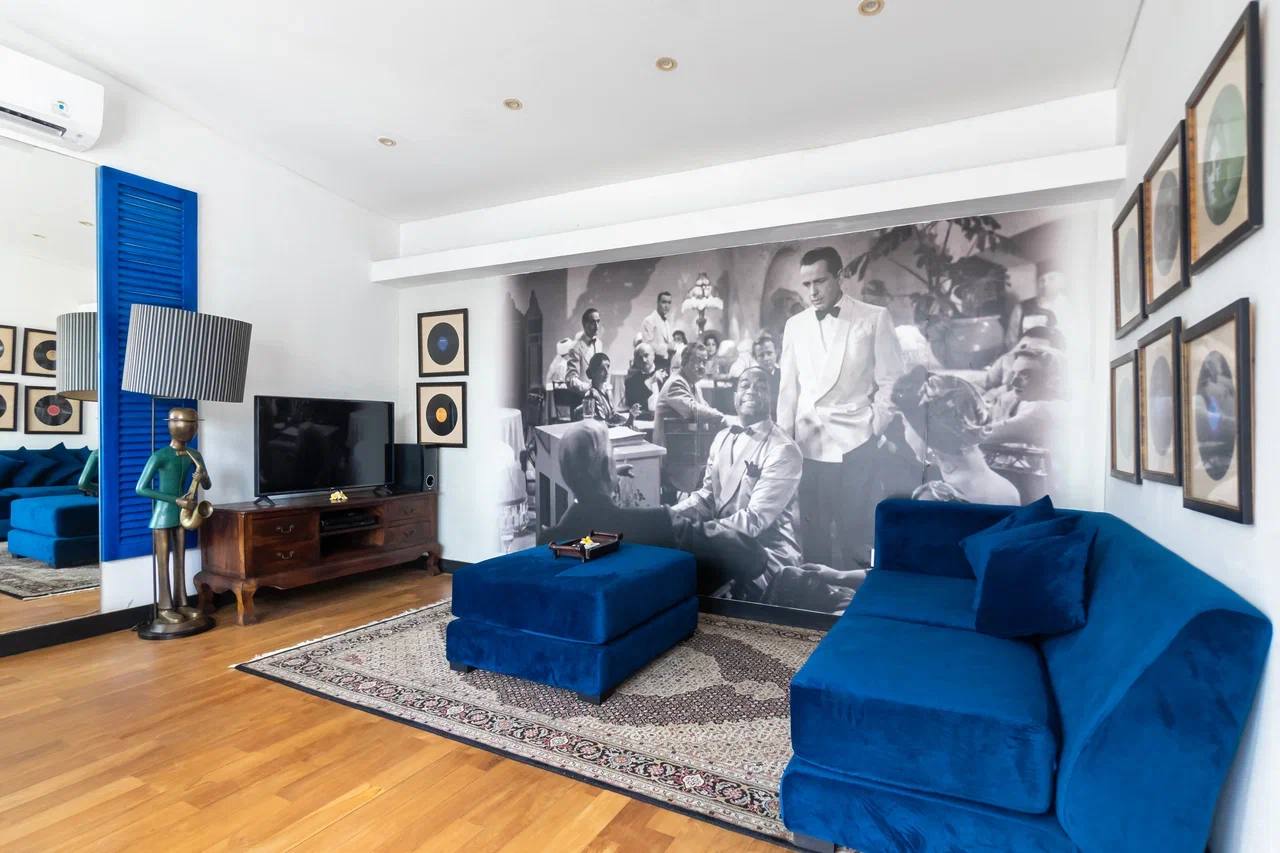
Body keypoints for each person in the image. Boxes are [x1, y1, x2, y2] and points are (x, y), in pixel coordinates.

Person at [777, 246, 904, 569]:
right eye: (806, 284)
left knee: (855, 538)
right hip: (808, 446)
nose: (812, 292)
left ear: (841, 276)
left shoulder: (873, 317)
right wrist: (785, 445)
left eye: (819, 281)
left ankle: (857, 595)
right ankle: (816, 597)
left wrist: (874, 426)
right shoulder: (795, 325)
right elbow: (788, 390)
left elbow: (892, 381)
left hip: (856, 441)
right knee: (813, 537)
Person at [671, 367, 802, 601]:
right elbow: (706, 497)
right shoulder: (722, 437)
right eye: (745, 385)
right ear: (735, 396)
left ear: (772, 397)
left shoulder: (783, 449)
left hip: (767, 557)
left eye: (761, 387)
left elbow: (754, 520)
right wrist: (669, 517)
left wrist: (697, 535)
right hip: (724, 542)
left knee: (689, 579)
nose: (751, 391)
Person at [536, 419, 676, 547]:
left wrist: (604, 475)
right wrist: (607, 475)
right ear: (605, 467)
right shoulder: (659, 522)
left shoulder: (550, 540)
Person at [892, 366, 1019, 505]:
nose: (904, 433)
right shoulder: (1009, 490)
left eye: (905, 424)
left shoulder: (931, 498)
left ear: (926, 433)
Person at [653, 342, 727, 449]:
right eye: (697, 361)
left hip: (683, 448)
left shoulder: (693, 384)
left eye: (704, 362)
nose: (702, 367)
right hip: (668, 452)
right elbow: (693, 410)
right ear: (684, 362)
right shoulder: (676, 382)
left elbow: (705, 409)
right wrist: (722, 417)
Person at [580, 353, 636, 426]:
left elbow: (613, 415)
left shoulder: (607, 391)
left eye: (608, 367)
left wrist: (629, 418)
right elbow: (601, 422)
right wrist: (626, 423)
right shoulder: (591, 395)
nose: (607, 372)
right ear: (594, 372)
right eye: (602, 369)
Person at [565, 308, 604, 394]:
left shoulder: (599, 344)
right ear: (584, 324)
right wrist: (589, 389)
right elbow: (570, 379)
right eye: (593, 322)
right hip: (581, 397)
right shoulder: (575, 347)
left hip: (597, 396)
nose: (597, 326)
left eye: (598, 321)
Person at [624, 342, 666, 416]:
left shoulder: (666, 374)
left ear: (653, 355)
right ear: (636, 360)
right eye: (640, 357)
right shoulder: (631, 382)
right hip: (643, 420)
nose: (644, 360)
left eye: (646, 355)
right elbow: (634, 408)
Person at [639, 290, 676, 369]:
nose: (667, 306)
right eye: (664, 302)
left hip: (666, 363)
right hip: (654, 363)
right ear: (658, 303)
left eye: (669, 303)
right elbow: (647, 345)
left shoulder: (667, 322)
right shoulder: (649, 320)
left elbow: (669, 342)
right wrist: (667, 348)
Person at [753, 333, 781, 420]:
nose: (766, 358)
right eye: (761, 355)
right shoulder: (753, 380)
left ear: (776, 353)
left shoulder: (784, 375)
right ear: (755, 358)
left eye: (769, 353)